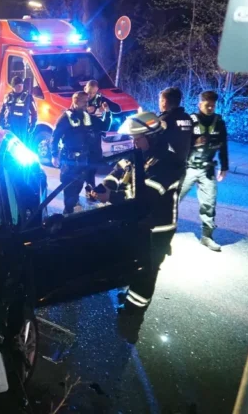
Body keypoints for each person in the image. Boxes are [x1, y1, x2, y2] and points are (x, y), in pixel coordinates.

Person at [89, 111, 182, 343]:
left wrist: (111, 197)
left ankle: (132, 318)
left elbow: (146, 197)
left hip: (156, 231)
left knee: (146, 275)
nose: (133, 143)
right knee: (132, 264)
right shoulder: (137, 155)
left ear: (152, 138)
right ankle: (129, 299)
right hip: (135, 224)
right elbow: (117, 172)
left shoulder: (170, 163)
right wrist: (103, 187)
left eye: (137, 139)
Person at [180, 91, 229, 252]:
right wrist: (194, 142)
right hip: (188, 168)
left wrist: (224, 166)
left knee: (209, 203)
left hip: (207, 169)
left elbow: (223, 145)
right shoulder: (190, 120)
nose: (210, 108)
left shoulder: (219, 122)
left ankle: (207, 236)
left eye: (213, 105)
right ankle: (163, 226)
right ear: (199, 104)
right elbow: (178, 142)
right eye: (207, 104)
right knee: (173, 198)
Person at [50, 91, 95, 214]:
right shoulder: (65, 118)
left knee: (79, 185)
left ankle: (73, 207)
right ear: (75, 102)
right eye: (84, 102)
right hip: (69, 160)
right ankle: (68, 214)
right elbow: (55, 137)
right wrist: (54, 155)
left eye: (87, 101)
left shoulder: (85, 116)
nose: (86, 104)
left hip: (83, 159)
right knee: (69, 188)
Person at [83, 80, 121, 200]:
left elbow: (117, 108)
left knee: (93, 167)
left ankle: (91, 191)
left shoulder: (100, 99)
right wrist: (87, 109)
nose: (91, 95)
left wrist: (106, 107)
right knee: (86, 167)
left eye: (93, 93)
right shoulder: (81, 98)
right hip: (83, 138)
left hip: (96, 137)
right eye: (89, 92)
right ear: (85, 89)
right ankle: (89, 191)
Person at [158, 87, 194, 170]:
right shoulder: (187, 117)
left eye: (160, 100)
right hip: (183, 165)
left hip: (165, 167)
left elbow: (153, 141)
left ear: (164, 102)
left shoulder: (164, 120)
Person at [0, 76, 37, 145]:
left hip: (22, 127)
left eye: (21, 85)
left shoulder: (28, 97)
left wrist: (33, 125)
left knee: (21, 145)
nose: (20, 87)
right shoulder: (8, 97)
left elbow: (34, 112)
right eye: (18, 86)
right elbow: (2, 112)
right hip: (9, 126)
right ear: (13, 87)